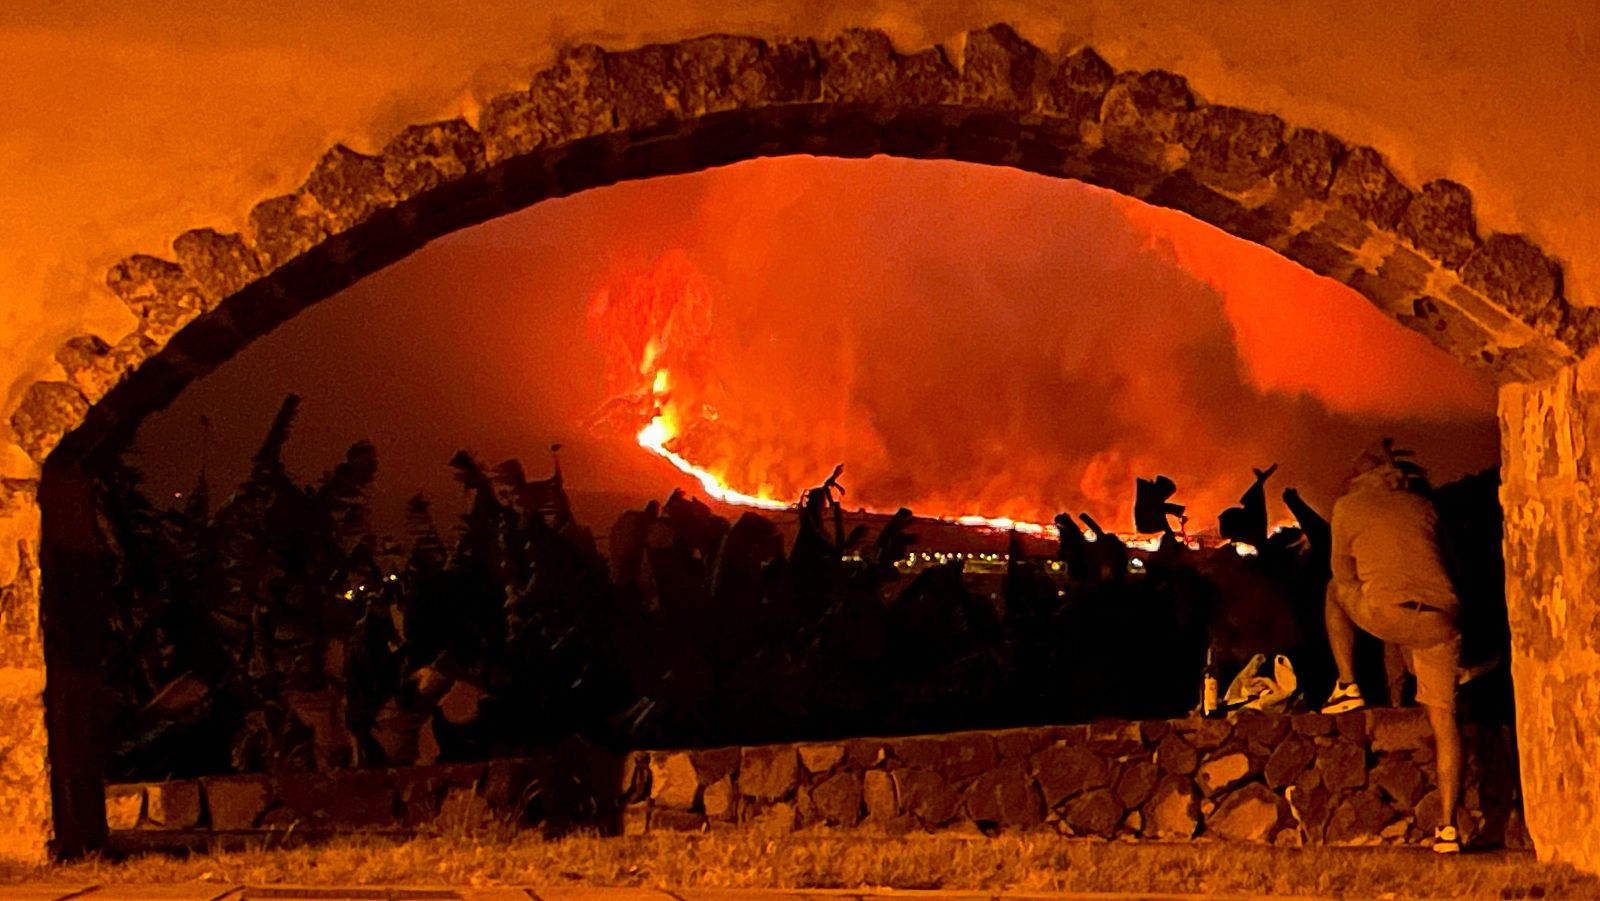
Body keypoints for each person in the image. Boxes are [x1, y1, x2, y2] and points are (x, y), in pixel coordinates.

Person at [1320, 439, 1464, 853]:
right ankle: (1448, 829)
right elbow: (1449, 567)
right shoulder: (1425, 508)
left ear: (1357, 479)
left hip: (1387, 613)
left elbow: (1342, 573)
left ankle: (1348, 685)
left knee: (1334, 591)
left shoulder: (1348, 507)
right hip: (1441, 622)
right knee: (1445, 724)